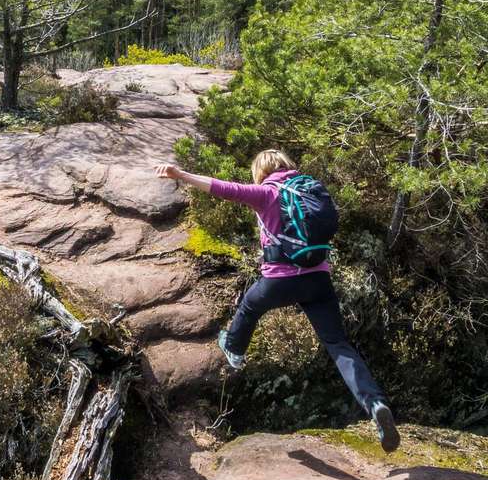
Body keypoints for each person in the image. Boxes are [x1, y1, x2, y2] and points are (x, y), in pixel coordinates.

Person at [154, 150, 400, 453]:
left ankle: (234, 351)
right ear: (287, 165)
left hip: (279, 281)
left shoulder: (267, 192)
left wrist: (180, 175)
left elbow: (221, 188)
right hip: (318, 281)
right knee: (339, 345)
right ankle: (375, 404)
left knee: (250, 306)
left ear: (261, 171)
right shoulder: (311, 188)